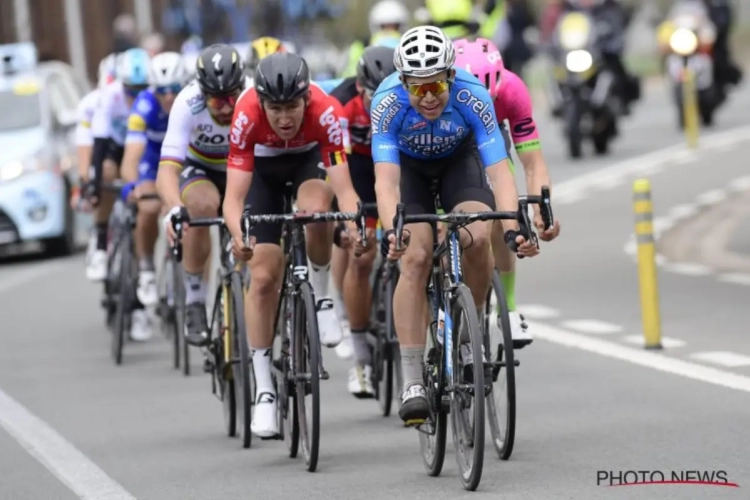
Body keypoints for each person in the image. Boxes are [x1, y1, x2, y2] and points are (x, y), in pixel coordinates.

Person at [371, 26, 540, 425]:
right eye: (418, 89)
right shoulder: (387, 102)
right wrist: (393, 229)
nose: (428, 98)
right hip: (408, 169)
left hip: (458, 162)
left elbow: (500, 173)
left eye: (436, 87)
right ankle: (412, 380)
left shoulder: (472, 95)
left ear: (450, 76)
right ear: (404, 84)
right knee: (414, 256)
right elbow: (386, 182)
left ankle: (470, 332)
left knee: (479, 233)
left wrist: (514, 229)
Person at [223, 53, 362, 438]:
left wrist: (355, 227)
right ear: (262, 103)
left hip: (308, 162)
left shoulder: (327, 111)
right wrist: (238, 235)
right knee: (264, 277)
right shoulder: (246, 113)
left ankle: (320, 299)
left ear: (306, 100)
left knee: (317, 210)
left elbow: (346, 190)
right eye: (276, 108)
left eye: (292, 108)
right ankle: (264, 390)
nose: (284, 118)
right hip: (262, 171)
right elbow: (233, 199)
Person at [454, 38, 561, 348]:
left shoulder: (512, 89)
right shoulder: (444, 95)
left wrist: (542, 210)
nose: (482, 102)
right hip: (450, 140)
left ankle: (509, 309)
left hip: (491, 136)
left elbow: (532, 162)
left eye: (490, 96)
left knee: (503, 212)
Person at [157, 44, 245, 347]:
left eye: (230, 97)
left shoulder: (252, 101)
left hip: (243, 169)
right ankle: (195, 298)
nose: (224, 107)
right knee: (200, 208)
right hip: (202, 168)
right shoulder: (187, 102)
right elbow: (167, 170)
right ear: (202, 93)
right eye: (215, 100)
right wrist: (174, 208)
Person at [328, 46, 396, 397]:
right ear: (360, 88)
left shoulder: (406, 95)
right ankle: (360, 354)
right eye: (375, 97)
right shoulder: (340, 103)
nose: (382, 104)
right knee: (362, 254)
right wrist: (346, 223)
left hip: (394, 166)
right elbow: (335, 169)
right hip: (353, 171)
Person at [120, 52, 188, 327]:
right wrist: (132, 186)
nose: (169, 97)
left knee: (190, 213)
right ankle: (146, 264)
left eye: (174, 89)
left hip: (184, 159)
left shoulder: (191, 101)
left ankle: (189, 284)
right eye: (162, 90)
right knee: (148, 206)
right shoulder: (143, 106)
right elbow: (131, 157)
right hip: (152, 159)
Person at [88, 48, 152, 340]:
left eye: (141, 89)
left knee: (145, 215)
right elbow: (99, 143)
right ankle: (101, 240)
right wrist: (95, 184)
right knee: (107, 174)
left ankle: (140, 302)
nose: (135, 95)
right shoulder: (110, 96)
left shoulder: (153, 100)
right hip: (114, 147)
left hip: (141, 150)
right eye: (130, 89)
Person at [72, 54, 117, 262]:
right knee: (103, 174)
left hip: (128, 147)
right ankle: (100, 233)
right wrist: (86, 179)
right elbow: (84, 144)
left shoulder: (139, 98)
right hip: (102, 148)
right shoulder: (90, 104)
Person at [342, 0, 408, 77]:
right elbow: (351, 73)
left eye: (394, 26)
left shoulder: (407, 46)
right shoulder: (361, 46)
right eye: (384, 26)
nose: (389, 31)